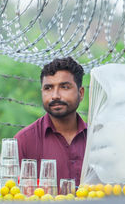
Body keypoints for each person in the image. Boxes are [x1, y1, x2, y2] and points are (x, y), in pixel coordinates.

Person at [14, 57, 87, 186]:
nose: (55, 96)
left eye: (64, 87)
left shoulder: (96, 141)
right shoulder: (24, 142)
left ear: (81, 93)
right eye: (48, 88)